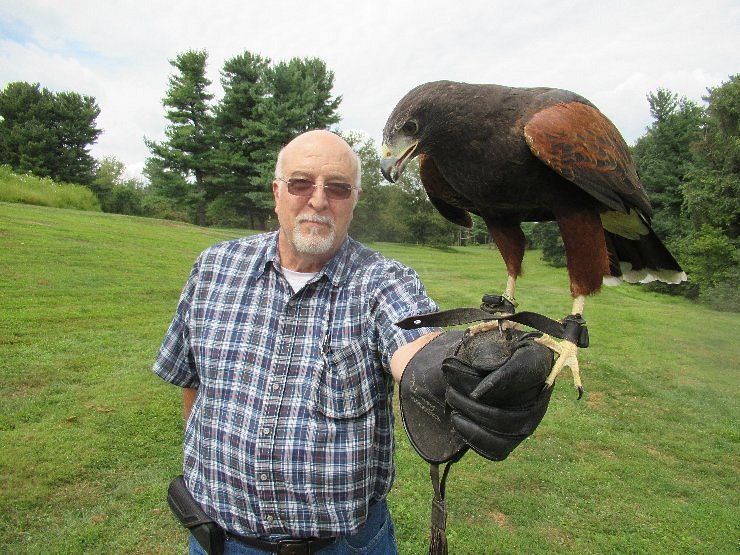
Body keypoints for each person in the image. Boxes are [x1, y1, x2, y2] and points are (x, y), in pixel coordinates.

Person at [153, 130, 442, 554]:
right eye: (301, 183)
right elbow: (192, 380)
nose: (319, 200)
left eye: (338, 188)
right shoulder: (214, 267)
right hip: (218, 541)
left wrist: (454, 369)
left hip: (341, 546)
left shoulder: (384, 280)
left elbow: (419, 349)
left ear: (354, 200)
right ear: (277, 192)